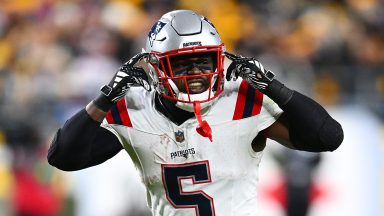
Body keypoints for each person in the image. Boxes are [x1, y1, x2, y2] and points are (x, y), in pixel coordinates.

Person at [47, 10, 344, 216]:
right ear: (156, 67)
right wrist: (105, 97)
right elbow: (63, 157)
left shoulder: (240, 100)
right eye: (182, 64)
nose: (196, 74)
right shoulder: (135, 108)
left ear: (219, 60)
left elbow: (327, 136)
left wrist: (274, 87)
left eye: (203, 62)